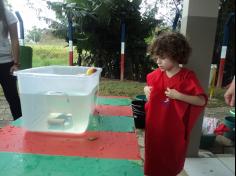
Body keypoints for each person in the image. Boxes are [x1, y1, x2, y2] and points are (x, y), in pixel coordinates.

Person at [144, 32, 208, 176]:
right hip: (154, 126)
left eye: (162, 58)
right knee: (153, 157)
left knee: (171, 159)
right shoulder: (156, 75)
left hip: (174, 129)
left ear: (176, 55)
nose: (158, 61)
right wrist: (146, 89)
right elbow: (149, 87)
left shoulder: (187, 77)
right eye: (156, 57)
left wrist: (179, 96)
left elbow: (201, 100)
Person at [0, 0, 22, 121]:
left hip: (6, 64)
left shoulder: (7, 14)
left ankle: (21, 128)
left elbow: (14, 39)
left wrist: (16, 63)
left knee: (13, 98)